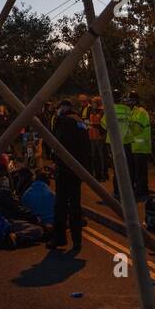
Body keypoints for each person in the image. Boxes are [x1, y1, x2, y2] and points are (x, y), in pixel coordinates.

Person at [50, 100, 89, 251]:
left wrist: (56, 163)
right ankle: (77, 241)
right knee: (75, 205)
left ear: (62, 109)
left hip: (64, 168)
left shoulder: (63, 121)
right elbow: (86, 146)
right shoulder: (80, 122)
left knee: (60, 204)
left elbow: (58, 145)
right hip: (77, 169)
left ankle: (59, 238)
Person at [100, 92, 134, 198]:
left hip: (114, 143)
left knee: (117, 168)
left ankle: (117, 192)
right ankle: (129, 191)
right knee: (128, 167)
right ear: (121, 99)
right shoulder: (127, 110)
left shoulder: (109, 110)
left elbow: (103, 124)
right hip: (126, 142)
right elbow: (132, 124)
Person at [127, 92, 152, 199]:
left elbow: (137, 128)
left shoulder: (141, 112)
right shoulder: (133, 111)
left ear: (136, 100)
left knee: (141, 172)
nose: (129, 102)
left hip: (141, 146)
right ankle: (139, 191)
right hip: (135, 146)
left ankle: (142, 192)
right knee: (136, 171)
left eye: (130, 100)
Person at [84, 98, 107, 180]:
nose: (93, 104)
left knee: (101, 157)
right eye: (92, 103)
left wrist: (91, 124)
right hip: (92, 136)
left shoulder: (102, 112)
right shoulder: (90, 111)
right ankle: (96, 174)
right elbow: (88, 120)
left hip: (100, 137)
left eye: (95, 103)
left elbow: (103, 125)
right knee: (94, 156)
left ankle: (103, 174)